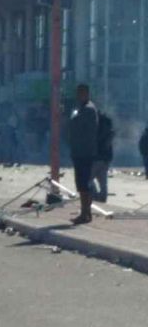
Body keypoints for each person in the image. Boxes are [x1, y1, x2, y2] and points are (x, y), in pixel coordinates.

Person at [68, 84, 99, 225]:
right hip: (80, 151)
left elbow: (81, 129)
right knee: (81, 184)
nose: (78, 96)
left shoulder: (88, 109)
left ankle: (86, 213)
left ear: (86, 93)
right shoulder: (81, 108)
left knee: (84, 183)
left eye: (80, 93)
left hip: (84, 152)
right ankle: (85, 212)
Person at [90, 111, 114, 203]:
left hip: (96, 158)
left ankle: (95, 196)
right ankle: (103, 197)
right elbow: (109, 148)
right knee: (103, 181)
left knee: (88, 179)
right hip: (105, 159)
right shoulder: (109, 132)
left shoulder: (95, 130)